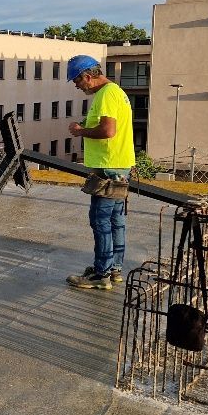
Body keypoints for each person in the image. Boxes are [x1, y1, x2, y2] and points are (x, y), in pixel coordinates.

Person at [65, 55, 135, 290]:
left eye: (76, 80)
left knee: (100, 220)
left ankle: (101, 274)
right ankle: (114, 269)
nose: (76, 85)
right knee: (116, 220)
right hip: (119, 165)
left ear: (87, 76)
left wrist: (81, 130)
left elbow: (108, 131)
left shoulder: (106, 94)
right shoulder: (116, 92)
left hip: (108, 167)